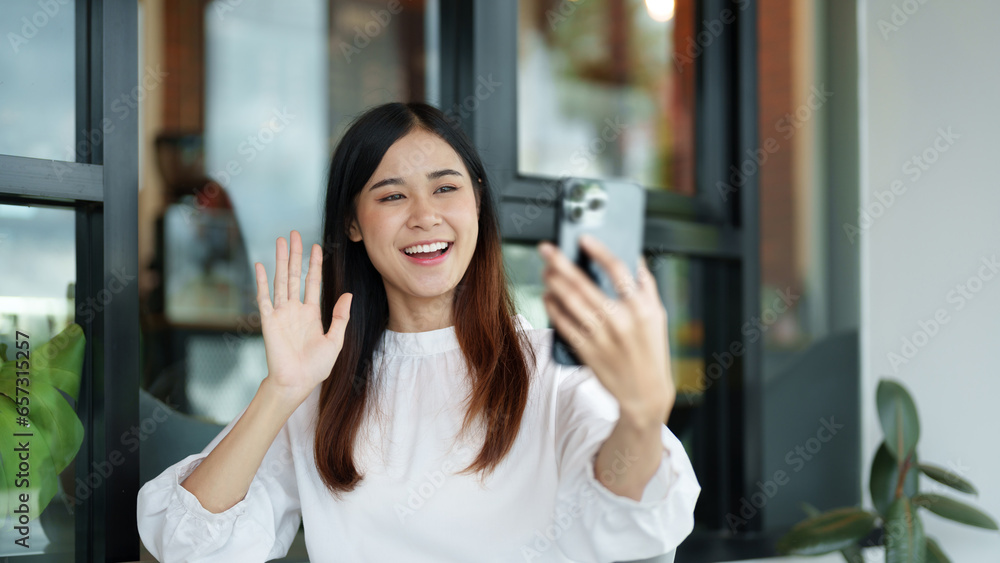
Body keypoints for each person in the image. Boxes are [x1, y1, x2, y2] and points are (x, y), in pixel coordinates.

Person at [136, 102, 700, 562]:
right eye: (392, 195)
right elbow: (187, 547)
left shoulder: (553, 367)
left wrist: (643, 417)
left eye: (446, 188)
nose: (425, 215)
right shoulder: (321, 387)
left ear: (478, 203)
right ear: (353, 223)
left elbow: (629, 520)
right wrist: (280, 392)